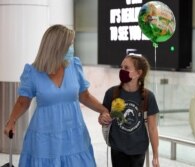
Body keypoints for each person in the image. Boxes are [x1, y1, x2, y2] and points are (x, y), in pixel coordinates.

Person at [4, 24, 110, 167]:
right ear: (57, 46)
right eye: (70, 44)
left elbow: (85, 96)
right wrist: (12, 121)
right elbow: (23, 102)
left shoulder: (74, 65)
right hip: (44, 136)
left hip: (73, 133)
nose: (72, 48)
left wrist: (103, 110)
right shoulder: (33, 72)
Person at [100, 55, 160, 167]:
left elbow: (152, 128)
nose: (122, 70)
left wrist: (155, 155)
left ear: (138, 73)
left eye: (126, 68)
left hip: (139, 149)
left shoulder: (148, 97)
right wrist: (103, 118)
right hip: (118, 149)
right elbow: (102, 117)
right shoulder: (111, 93)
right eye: (121, 67)